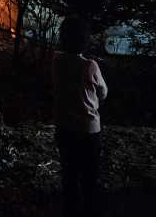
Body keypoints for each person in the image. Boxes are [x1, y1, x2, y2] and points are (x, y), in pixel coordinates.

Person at [52, 15, 108, 217]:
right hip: (88, 130)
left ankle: (70, 210)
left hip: (64, 126)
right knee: (89, 177)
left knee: (69, 174)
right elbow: (103, 92)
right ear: (85, 40)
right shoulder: (90, 65)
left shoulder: (56, 60)